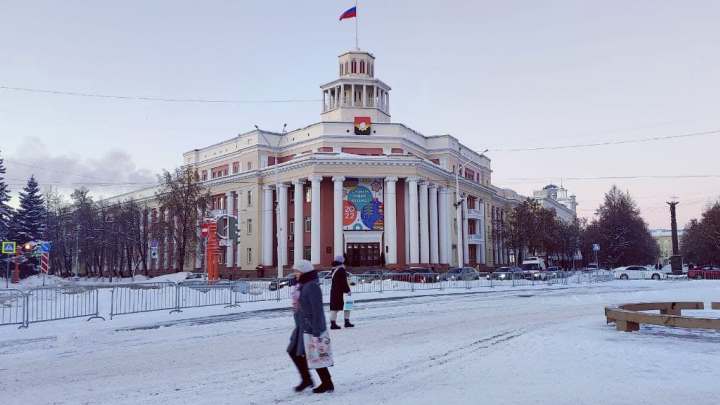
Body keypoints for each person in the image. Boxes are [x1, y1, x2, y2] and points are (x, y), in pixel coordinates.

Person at [287, 260, 334, 394]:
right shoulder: (301, 285)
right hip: (301, 326)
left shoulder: (311, 286)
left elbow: (317, 310)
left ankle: (327, 382)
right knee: (294, 351)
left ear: (304, 272)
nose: (295, 274)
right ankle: (307, 379)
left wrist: (317, 331)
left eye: (297, 271)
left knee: (315, 354)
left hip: (311, 327)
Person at [329, 255, 353, 329]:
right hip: (341, 291)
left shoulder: (333, 269)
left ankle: (333, 323)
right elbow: (343, 282)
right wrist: (348, 290)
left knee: (334, 308)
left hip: (334, 291)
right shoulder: (341, 270)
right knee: (348, 305)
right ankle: (346, 321)